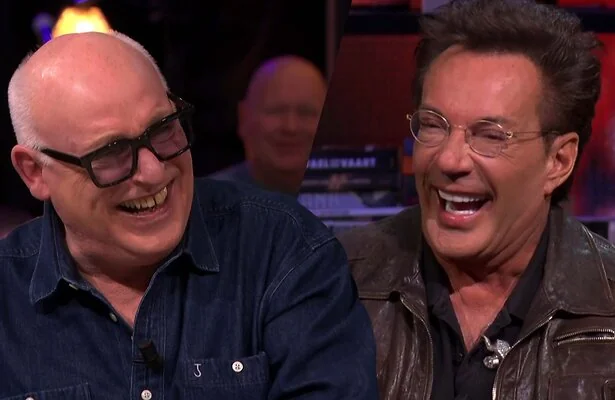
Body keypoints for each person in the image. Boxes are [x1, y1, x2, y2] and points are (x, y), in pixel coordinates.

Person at [0, 31, 378, 399]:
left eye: (163, 129)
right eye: (111, 153)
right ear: (35, 172)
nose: (153, 172)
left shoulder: (285, 249)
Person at [337, 1, 614, 399]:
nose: (449, 160)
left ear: (558, 161)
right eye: (433, 125)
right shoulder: (332, 284)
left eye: (490, 135)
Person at [209, 55, 327, 195]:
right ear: (244, 118)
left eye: (306, 113)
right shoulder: (205, 202)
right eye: (276, 111)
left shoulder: (348, 198)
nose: (291, 127)